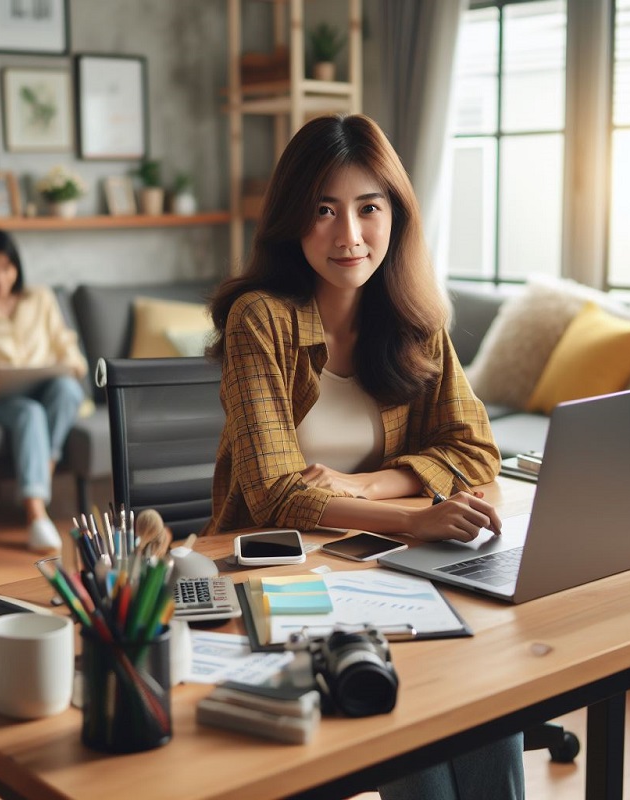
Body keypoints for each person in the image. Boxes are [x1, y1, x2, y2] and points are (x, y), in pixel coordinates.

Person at [205, 114, 524, 799]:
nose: (349, 236)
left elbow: (476, 448)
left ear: (395, 214)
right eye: (324, 210)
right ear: (294, 219)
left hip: (385, 566)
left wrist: (371, 484)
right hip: (277, 575)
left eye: (367, 208)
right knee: (413, 737)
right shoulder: (260, 318)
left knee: (490, 705)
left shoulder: (413, 317)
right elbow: (274, 496)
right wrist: (414, 520)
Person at [0, 229, 88, 553]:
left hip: (42, 385)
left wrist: (71, 366)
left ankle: (40, 476)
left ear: (17, 266)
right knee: (29, 413)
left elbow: (65, 345)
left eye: (6, 268)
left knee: (67, 389)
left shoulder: (40, 298)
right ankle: (35, 514)